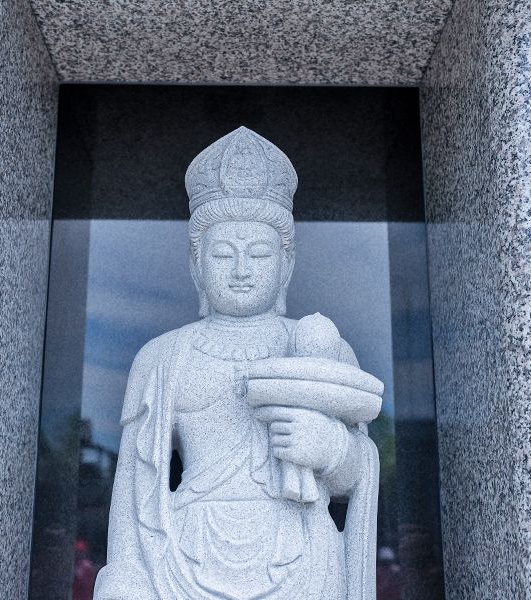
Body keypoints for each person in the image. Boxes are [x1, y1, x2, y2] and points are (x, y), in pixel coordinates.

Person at [94, 127, 379, 600]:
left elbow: (358, 471)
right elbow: (132, 486)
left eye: (260, 253)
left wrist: (329, 448)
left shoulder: (316, 345)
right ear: (195, 264)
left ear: (286, 265)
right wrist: (125, 570)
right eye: (223, 253)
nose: (242, 269)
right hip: (183, 553)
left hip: (302, 548)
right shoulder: (162, 358)